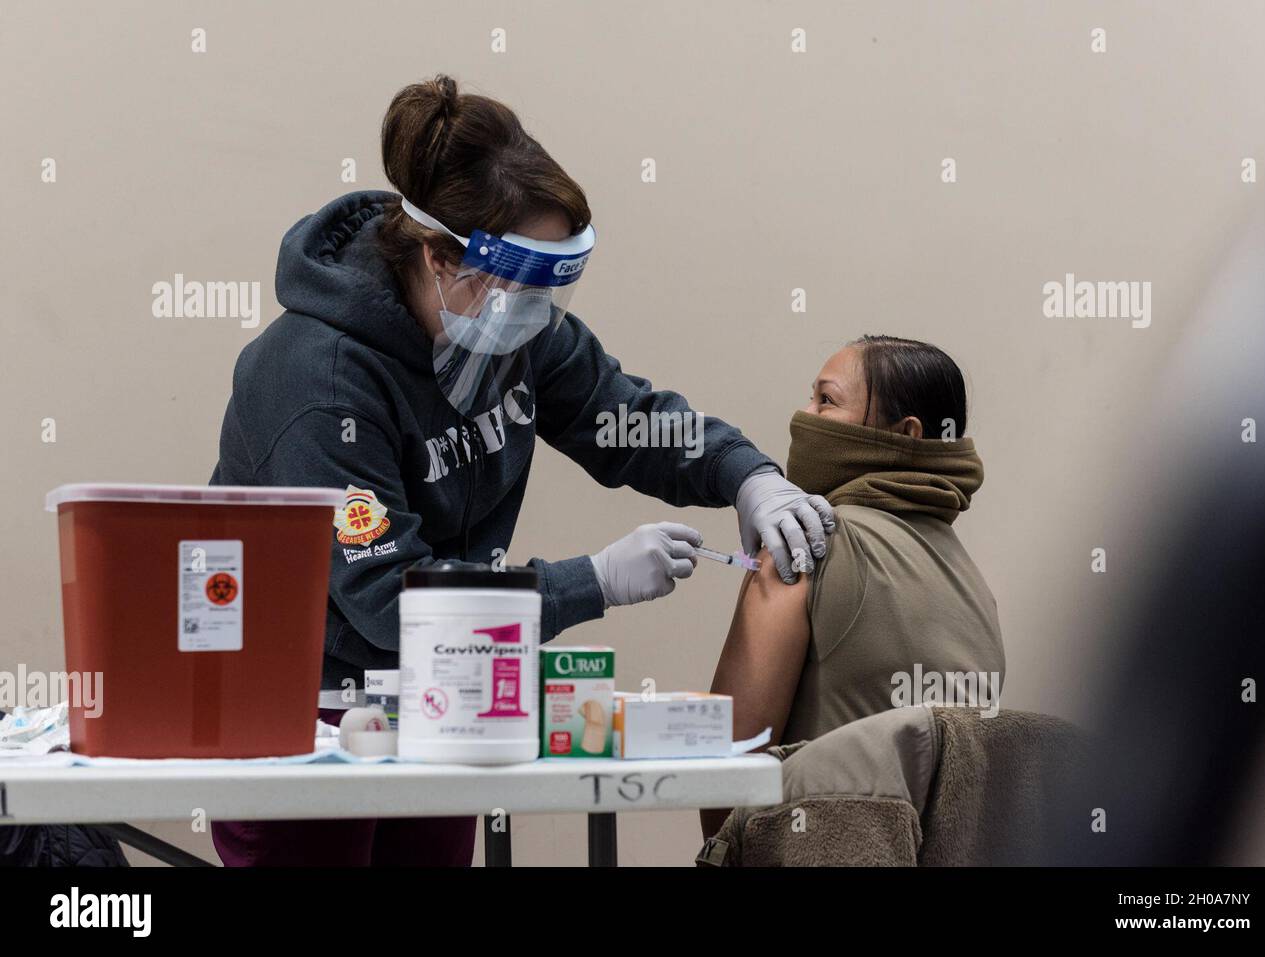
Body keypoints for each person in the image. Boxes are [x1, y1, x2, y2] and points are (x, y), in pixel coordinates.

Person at [207, 75, 832, 866]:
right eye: (521, 285)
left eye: (551, 286)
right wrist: (589, 581)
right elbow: (386, 598)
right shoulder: (316, 380)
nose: (536, 312)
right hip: (305, 714)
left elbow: (627, 418)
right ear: (438, 257)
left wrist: (746, 474)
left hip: (438, 698)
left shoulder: (507, 328)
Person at [703, 336, 1004, 836]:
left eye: (827, 400)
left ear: (902, 432)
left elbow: (728, 765)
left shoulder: (803, 548)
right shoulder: (974, 585)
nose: (805, 415)